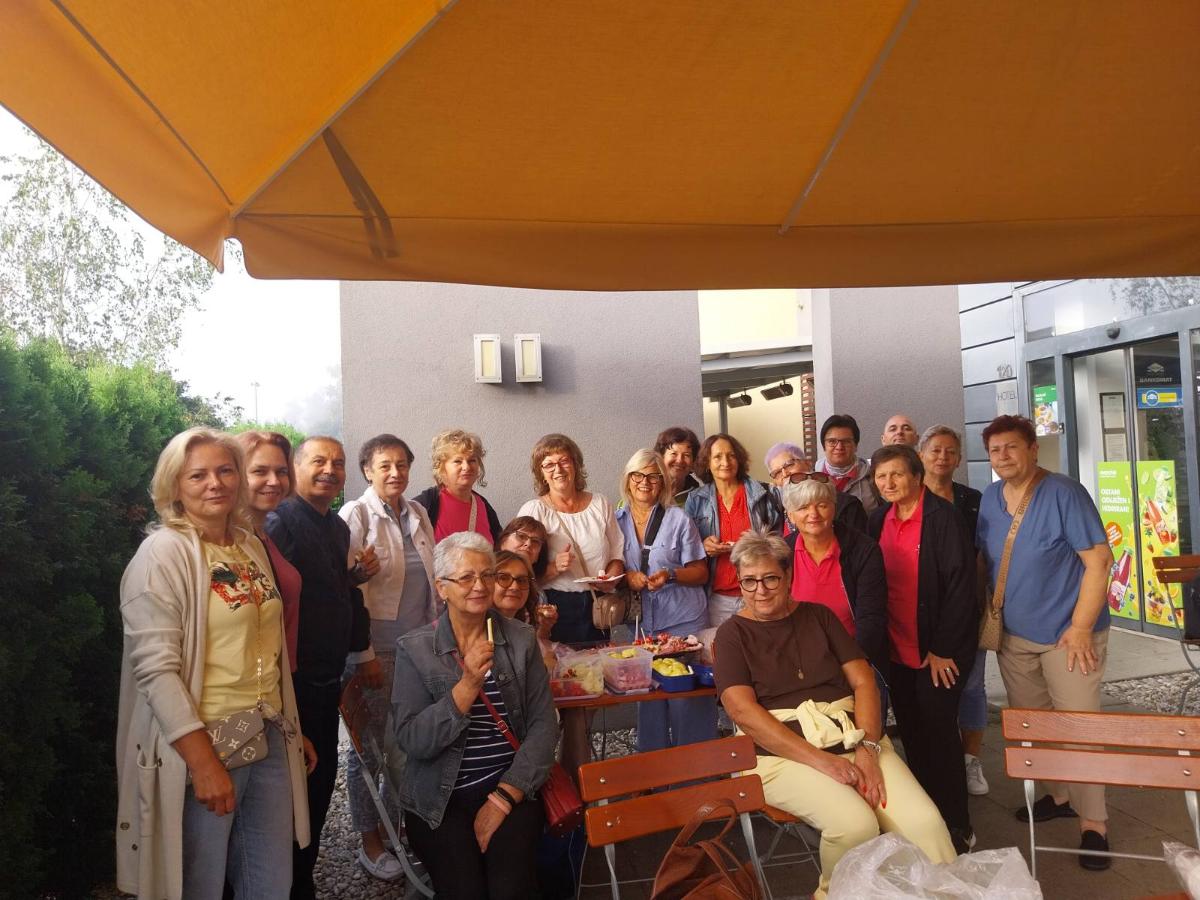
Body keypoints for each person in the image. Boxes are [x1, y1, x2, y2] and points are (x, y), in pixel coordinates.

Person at [116, 428, 313, 900]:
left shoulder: (248, 546)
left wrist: (290, 725)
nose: (215, 483)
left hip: (266, 732)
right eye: (197, 475)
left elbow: (266, 646)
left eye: (225, 470)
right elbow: (156, 671)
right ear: (174, 485)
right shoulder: (162, 555)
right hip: (202, 741)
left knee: (271, 884)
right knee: (197, 886)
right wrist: (203, 763)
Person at [713, 531, 954, 900]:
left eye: (770, 578)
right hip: (777, 756)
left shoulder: (819, 617)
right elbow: (742, 711)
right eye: (749, 581)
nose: (760, 590)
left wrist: (868, 749)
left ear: (788, 576)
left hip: (853, 738)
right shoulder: (732, 635)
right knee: (854, 824)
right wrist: (822, 761)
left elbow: (864, 683)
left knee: (926, 824)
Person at [977, 415, 1113, 869]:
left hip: (1068, 637)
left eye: (1012, 447)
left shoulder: (1064, 493)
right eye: (995, 450)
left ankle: (1094, 825)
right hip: (1014, 638)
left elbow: (1099, 561)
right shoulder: (991, 498)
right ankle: (1059, 796)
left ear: (1033, 449)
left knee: (1079, 730)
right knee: (1035, 725)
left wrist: (1081, 627)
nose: (1003, 457)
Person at [393, 533, 558, 899]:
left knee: (509, 889)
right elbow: (413, 740)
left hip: (508, 785)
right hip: (439, 798)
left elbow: (544, 726)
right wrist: (467, 685)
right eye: (466, 577)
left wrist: (504, 796)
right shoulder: (415, 649)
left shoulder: (520, 639)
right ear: (442, 588)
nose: (480, 586)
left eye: (487, 575)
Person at [265, 436, 371, 900]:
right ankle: (286, 882)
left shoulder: (336, 526)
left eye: (338, 463)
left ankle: (302, 875)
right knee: (293, 789)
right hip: (292, 681)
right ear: (295, 467)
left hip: (328, 678)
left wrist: (354, 579)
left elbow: (329, 589)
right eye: (319, 461)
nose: (330, 470)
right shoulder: (279, 522)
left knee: (321, 782)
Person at [868, 444, 979, 854]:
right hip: (895, 647)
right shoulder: (878, 519)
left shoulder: (943, 518)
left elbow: (962, 587)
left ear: (917, 476)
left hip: (937, 650)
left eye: (897, 474)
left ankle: (958, 825)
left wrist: (944, 647)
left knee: (940, 735)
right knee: (912, 734)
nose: (889, 482)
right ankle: (926, 821)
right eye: (881, 476)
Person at [338, 434, 438, 880]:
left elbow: (430, 581)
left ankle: (397, 831)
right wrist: (362, 655)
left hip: (417, 648)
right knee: (371, 751)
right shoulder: (355, 515)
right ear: (367, 471)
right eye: (384, 466)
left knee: (407, 747)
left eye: (401, 464)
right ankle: (370, 843)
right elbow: (346, 586)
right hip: (374, 650)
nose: (395, 473)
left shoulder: (417, 512)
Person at [614, 449, 716, 751]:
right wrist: (627, 577)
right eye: (638, 475)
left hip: (683, 620)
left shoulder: (678, 519)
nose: (644, 482)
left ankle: (698, 767)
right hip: (643, 627)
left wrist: (670, 574)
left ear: (663, 483)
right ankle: (653, 768)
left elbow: (700, 572)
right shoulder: (615, 521)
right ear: (628, 479)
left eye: (653, 476)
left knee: (688, 698)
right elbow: (610, 567)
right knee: (649, 699)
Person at [919, 425, 988, 797]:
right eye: (935, 450)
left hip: (969, 608)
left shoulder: (973, 500)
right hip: (921, 613)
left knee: (972, 686)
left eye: (950, 451)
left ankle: (970, 759)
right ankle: (934, 760)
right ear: (921, 455)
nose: (942, 457)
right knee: (928, 691)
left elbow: (984, 555)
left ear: (959, 458)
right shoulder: (908, 498)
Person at [517, 434, 625, 645]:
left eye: (564, 461)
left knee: (599, 661)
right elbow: (518, 571)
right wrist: (554, 568)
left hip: (598, 606)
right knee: (561, 663)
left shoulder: (600, 504)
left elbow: (617, 552)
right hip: (555, 607)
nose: (558, 469)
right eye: (549, 464)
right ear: (541, 473)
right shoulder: (534, 511)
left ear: (575, 465)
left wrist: (612, 577)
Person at [781, 477, 889, 680]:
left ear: (834, 508)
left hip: (855, 659)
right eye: (803, 507)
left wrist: (850, 665)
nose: (813, 514)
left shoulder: (863, 550)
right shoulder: (781, 553)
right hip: (798, 662)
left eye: (822, 505)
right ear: (791, 516)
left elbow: (871, 619)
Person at [684, 433, 780, 629]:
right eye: (717, 457)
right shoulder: (696, 500)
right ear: (707, 462)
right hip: (717, 599)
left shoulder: (765, 494)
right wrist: (702, 547)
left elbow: (781, 544)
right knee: (720, 647)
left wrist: (756, 545)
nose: (725, 462)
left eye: (731, 455)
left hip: (759, 593)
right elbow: (686, 548)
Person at [236, 430, 301, 672]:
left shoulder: (262, 537)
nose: (274, 481)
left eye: (281, 472)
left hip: (278, 677)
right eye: (259, 471)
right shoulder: (230, 544)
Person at [414, 428, 502, 544]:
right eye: (458, 461)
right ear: (441, 467)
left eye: (472, 460)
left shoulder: (484, 506)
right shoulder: (425, 505)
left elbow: (499, 549)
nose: (466, 467)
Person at [765, 441, 867, 533]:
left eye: (789, 465)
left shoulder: (846, 505)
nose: (785, 474)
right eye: (777, 472)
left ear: (807, 463)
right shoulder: (776, 509)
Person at [815, 414, 881, 515]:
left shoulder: (873, 476)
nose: (839, 447)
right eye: (832, 441)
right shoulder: (812, 477)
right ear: (824, 446)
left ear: (856, 445)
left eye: (846, 441)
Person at [653, 425, 703, 506]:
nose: (679, 460)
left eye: (686, 455)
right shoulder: (649, 491)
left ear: (693, 461)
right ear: (661, 457)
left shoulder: (700, 499)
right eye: (674, 454)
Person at [496, 515, 554, 583]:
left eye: (535, 541)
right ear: (503, 541)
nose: (528, 544)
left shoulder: (534, 587)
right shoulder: (488, 575)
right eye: (521, 536)